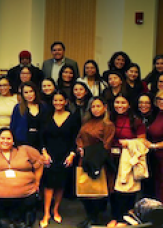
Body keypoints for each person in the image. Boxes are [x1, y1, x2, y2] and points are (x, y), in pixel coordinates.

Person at [0, 128, 44, 228]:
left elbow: (40, 163)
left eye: (9, 138)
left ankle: (15, 221)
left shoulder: (26, 150)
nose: (5, 141)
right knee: (2, 219)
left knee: (26, 206)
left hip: (25, 193)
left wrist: (37, 182)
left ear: (13, 140)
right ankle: (4, 221)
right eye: (2, 138)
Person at [39, 91, 80, 228]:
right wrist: (43, 152)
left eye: (60, 100)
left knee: (60, 185)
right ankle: (46, 213)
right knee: (49, 185)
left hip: (65, 155)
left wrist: (72, 154)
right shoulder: (46, 116)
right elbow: (41, 137)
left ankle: (56, 210)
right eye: (55, 100)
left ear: (66, 102)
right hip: (49, 154)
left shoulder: (73, 117)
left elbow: (76, 138)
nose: (57, 103)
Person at [76, 97, 116, 228]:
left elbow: (107, 144)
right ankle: (89, 217)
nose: (95, 109)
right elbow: (79, 138)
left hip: (99, 160)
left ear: (104, 107)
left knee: (98, 191)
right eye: (93, 106)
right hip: (84, 158)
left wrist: (89, 152)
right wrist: (80, 148)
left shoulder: (108, 125)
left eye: (98, 106)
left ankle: (96, 219)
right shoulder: (87, 122)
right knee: (84, 189)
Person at [108, 94, 146, 224]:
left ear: (129, 105)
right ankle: (115, 217)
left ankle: (126, 219)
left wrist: (128, 143)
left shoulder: (136, 121)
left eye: (123, 103)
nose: (120, 105)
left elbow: (143, 142)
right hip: (112, 158)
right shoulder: (109, 119)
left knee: (128, 189)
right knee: (113, 189)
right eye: (117, 102)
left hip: (128, 159)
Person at [11, 82, 50, 149]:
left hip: (40, 141)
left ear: (35, 92)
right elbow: (13, 127)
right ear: (22, 94)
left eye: (31, 91)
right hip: (23, 142)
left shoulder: (44, 106)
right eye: (26, 92)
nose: (29, 94)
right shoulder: (18, 107)